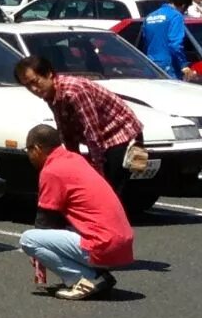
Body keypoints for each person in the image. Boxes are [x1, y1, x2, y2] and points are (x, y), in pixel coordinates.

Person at [19, 124, 135, 299]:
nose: (29, 156)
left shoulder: (52, 171)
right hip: (122, 242)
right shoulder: (74, 159)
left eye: (28, 150)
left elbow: (45, 221)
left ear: (36, 148)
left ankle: (86, 279)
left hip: (104, 245)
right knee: (58, 233)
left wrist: (38, 260)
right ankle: (97, 274)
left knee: (29, 240)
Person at [13, 53, 145, 192]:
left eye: (35, 82)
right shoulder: (51, 94)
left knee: (109, 189)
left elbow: (92, 132)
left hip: (121, 134)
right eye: (27, 86)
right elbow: (65, 131)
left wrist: (98, 171)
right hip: (102, 139)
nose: (33, 89)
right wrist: (74, 165)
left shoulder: (74, 91)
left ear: (48, 74)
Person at [143, 0, 192, 78]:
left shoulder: (149, 16)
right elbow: (175, 45)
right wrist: (183, 64)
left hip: (150, 63)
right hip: (169, 65)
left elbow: (145, 41)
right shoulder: (176, 16)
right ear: (183, 5)